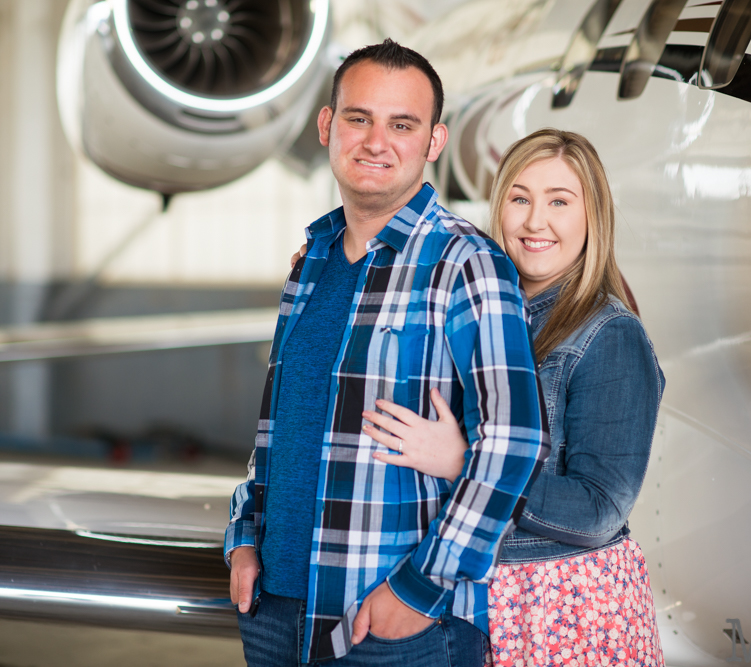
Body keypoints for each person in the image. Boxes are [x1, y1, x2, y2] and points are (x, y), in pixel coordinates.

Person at [225, 40, 549, 667]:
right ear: (327, 126)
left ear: (433, 142)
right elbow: (280, 427)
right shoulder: (312, 261)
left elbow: (512, 441)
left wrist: (423, 588)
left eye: (402, 125)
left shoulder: (466, 263)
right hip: (273, 611)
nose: (377, 141)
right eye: (359, 118)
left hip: (391, 625)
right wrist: (244, 535)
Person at [358, 129, 666, 666]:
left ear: (594, 217)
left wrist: (465, 464)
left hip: (561, 607)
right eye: (520, 199)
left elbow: (599, 509)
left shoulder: (609, 334)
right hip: (468, 592)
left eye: (560, 202)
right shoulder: (480, 308)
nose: (534, 221)